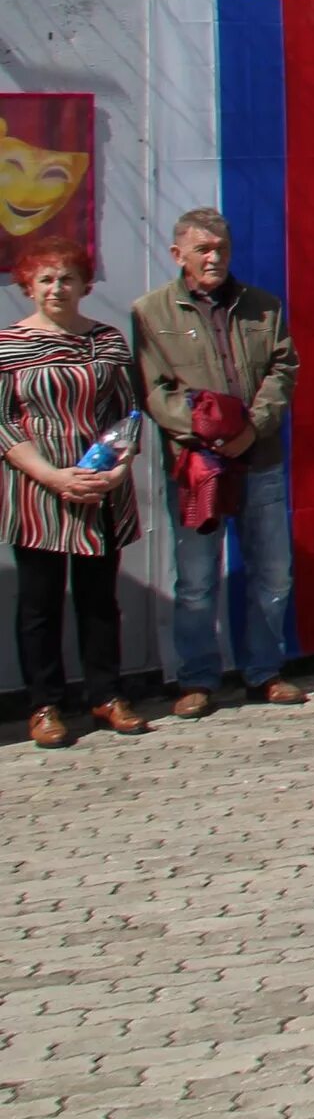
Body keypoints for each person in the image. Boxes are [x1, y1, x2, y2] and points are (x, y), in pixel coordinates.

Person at [131, 207, 304, 717]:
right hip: (196, 467)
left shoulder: (263, 306)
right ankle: (198, 679)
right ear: (177, 254)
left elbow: (283, 368)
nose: (214, 258)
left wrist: (252, 427)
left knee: (273, 572)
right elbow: (153, 390)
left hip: (259, 458)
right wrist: (205, 432)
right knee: (196, 580)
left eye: (221, 248)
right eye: (203, 249)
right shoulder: (150, 312)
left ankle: (264, 670)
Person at [2, 239, 149, 745]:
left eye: (66, 278)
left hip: (100, 486)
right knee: (39, 604)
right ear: (28, 287)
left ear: (84, 285)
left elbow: (128, 414)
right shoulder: (7, 346)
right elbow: (3, 424)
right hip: (37, 491)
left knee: (99, 599)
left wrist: (117, 470)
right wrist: (51, 475)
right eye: (45, 279)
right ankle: (44, 706)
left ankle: (106, 695)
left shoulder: (107, 341)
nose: (57, 288)